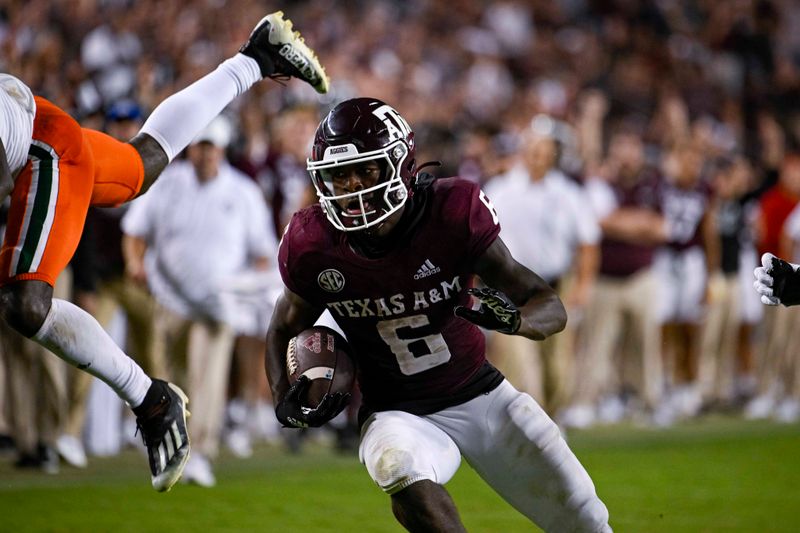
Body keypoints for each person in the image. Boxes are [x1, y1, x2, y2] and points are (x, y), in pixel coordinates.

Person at [0, 11, 328, 491]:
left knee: (25, 302)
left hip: (39, 149)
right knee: (141, 165)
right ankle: (255, 60)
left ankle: (151, 400)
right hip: (31, 126)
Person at [265, 98, 611, 532]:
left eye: (365, 171)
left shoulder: (451, 212)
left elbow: (548, 303)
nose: (351, 188)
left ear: (399, 165)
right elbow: (283, 326)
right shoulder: (313, 243)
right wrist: (283, 401)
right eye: (337, 176)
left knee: (586, 519)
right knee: (397, 465)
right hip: (396, 410)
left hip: (480, 395)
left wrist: (517, 321)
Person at [122, 115, 276, 487]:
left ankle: (201, 452)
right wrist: (134, 263)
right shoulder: (168, 185)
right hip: (171, 300)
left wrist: (243, 288)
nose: (205, 154)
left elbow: (263, 252)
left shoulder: (243, 192)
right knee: (173, 377)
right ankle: (172, 447)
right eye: (200, 146)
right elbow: (134, 230)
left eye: (211, 147)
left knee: (209, 379)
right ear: (191, 148)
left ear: (222, 150)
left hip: (218, 306)